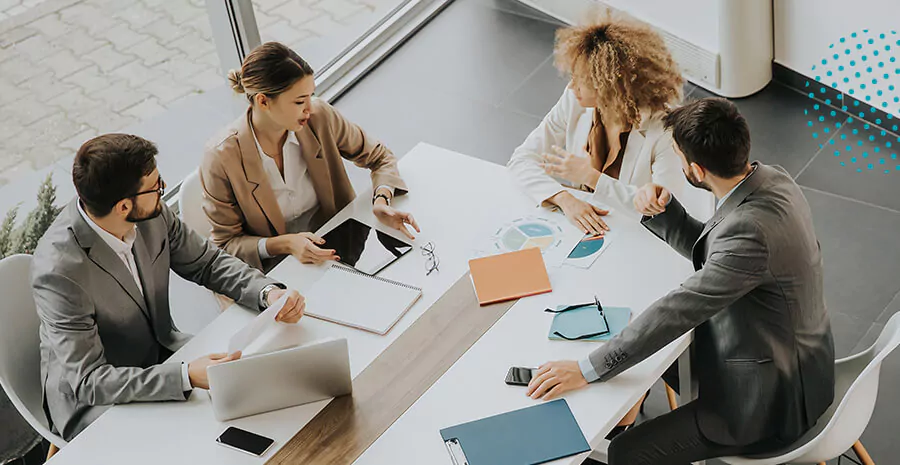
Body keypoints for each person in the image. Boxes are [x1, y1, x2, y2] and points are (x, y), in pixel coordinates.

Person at [526, 98, 835, 465]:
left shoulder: (749, 233)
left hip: (770, 405)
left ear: (695, 170)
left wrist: (585, 369)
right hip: (791, 360)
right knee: (642, 353)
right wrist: (665, 212)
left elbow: (679, 309)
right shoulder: (772, 180)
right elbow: (720, 250)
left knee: (626, 452)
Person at [32, 134, 306, 441]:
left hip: (164, 355)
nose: (162, 193)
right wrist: (185, 375)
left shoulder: (150, 212)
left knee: (266, 401)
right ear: (124, 206)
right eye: (156, 187)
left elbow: (207, 263)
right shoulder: (58, 271)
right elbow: (90, 381)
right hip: (97, 402)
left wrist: (267, 293)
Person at [200, 42, 418, 272]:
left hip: (343, 249)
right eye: (298, 101)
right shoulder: (221, 158)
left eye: (310, 96)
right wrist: (284, 244)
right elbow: (226, 244)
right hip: (279, 271)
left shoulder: (319, 117)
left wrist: (381, 199)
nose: (309, 108)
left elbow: (379, 156)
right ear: (263, 101)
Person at [507, 13, 685, 235]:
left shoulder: (666, 132)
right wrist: (564, 199)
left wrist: (591, 178)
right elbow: (521, 160)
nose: (572, 87)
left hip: (636, 233)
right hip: (587, 228)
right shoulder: (574, 101)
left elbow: (669, 211)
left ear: (610, 86)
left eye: (581, 80)